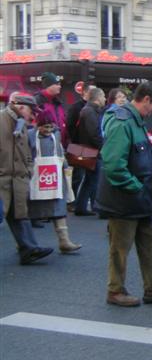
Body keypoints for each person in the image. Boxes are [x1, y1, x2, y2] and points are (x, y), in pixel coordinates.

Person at [96, 81, 152, 307]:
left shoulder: (134, 121)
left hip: (138, 196)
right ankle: (115, 291)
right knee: (120, 248)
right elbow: (114, 164)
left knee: (148, 243)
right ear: (145, 99)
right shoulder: (123, 121)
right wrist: (135, 186)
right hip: (125, 197)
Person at [0, 93, 54, 264]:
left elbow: (27, 153)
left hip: (16, 180)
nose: (33, 116)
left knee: (19, 215)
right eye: (31, 111)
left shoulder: (20, 123)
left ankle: (29, 249)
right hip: (4, 180)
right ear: (21, 106)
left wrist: (28, 169)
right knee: (14, 215)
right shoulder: (3, 121)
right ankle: (28, 248)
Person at [27, 111, 81, 253]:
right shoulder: (30, 136)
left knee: (59, 208)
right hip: (37, 177)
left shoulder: (55, 134)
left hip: (55, 177)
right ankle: (25, 243)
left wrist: (65, 166)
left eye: (50, 127)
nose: (48, 130)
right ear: (38, 125)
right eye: (45, 127)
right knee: (28, 211)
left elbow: (60, 151)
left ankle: (64, 241)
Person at [73, 86, 106, 216]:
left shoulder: (88, 110)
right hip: (91, 150)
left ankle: (80, 207)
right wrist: (102, 147)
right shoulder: (90, 111)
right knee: (94, 180)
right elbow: (94, 133)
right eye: (103, 96)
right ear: (97, 98)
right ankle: (94, 207)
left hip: (87, 149)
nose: (104, 99)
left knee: (89, 179)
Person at [65, 81, 92, 204]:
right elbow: (70, 126)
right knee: (78, 176)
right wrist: (76, 141)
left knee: (92, 176)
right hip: (78, 145)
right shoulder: (76, 107)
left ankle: (88, 201)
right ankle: (72, 200)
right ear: (85, 92)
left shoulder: (96, 107)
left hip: (91, 145)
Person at [34, 72, 67, 148]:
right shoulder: (37, 102)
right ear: (49, 86)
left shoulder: (58, 103)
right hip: (45, 148)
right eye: (57, 84)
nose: (60, 86)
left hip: (59, 147)